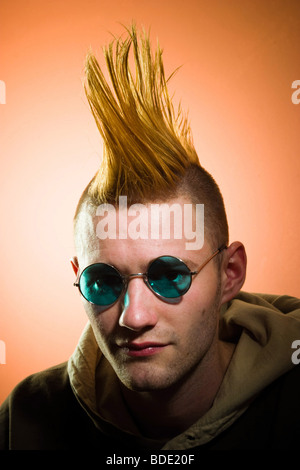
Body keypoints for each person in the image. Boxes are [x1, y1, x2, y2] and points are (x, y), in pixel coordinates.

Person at [1, 25, 300, 452]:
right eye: (103, 281)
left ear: (229, 274)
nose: (133, 317)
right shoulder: (24, 422)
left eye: (169, 275)